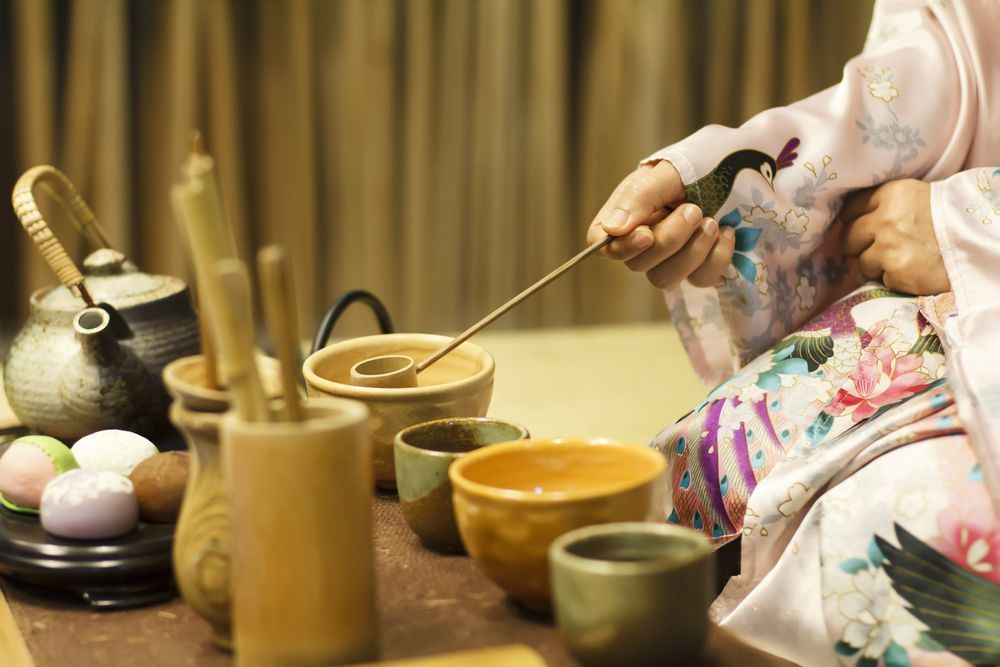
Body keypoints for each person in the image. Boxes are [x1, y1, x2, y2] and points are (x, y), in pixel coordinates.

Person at [588, 1, 1000, 665]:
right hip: (956, 297)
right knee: (698, 457)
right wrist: (729, 174)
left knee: (895, 552)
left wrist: (968, 225)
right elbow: (966, 55)